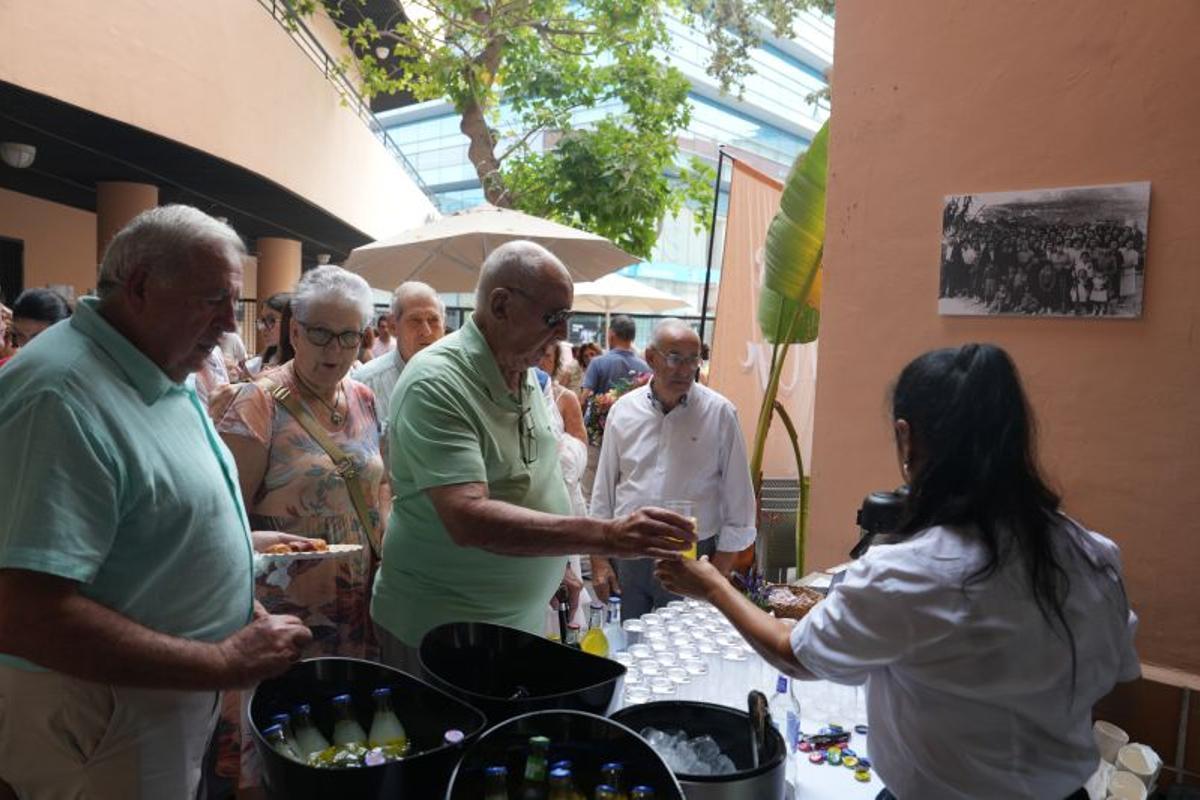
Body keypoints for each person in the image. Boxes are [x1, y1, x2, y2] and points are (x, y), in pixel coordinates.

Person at [657, 343, 1138, 800]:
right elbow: (1114, 673)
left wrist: (714, 586)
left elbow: (794, 656)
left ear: (907, 437)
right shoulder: (1092, 554)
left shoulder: (908, 573)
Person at [0, 205, 312, 798]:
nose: (229, 324)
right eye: (213, 298)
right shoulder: (58, 396)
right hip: (99, 715)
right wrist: (224, 663)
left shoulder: (154, 363)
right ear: (141, 286)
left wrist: (235, 570)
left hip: (148, 699)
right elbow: (25, 614)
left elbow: (141, 518)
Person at [370, 240, 695, 668]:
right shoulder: (437, 381)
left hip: (513, 626)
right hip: (442, 633)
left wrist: (558, 564)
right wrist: (606, 535)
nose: (562, 333)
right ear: (501, 305)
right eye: (554, 317)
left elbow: (534, 479)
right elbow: (467, 518)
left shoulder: (520, 373)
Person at [209, 265, 385, 789]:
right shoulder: (255, 404)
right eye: (320, 334)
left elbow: (380, 487)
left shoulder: (363, 398)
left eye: (349, 336)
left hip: (356, 612)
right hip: (282, 616)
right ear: (293, 331)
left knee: (341, 746)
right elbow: (225, 522)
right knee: (278, 758)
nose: (334, 350)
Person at [590, 319, 756, 618]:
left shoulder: (719, 414)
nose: (686, 369)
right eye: (675, 357)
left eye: (694, 359)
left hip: (692, 555)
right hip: (629, 552)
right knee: (628, 646)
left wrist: (717, 575)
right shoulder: (623, 410)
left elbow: (740, 501)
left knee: (684, 653)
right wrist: (600, 560)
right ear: (651, 358)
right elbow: (604, 488)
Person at [354, 280, 446, 431]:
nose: (427, 331)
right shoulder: (364, 385)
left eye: (433, 320)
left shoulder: (465, 380)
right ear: (393, 326)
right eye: (415, 320)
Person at [580, 315, 649, 500]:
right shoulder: (645, 368)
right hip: (632, 437)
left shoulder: (598, 363)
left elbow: (585, 397)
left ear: (611, 335)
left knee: (590, 490)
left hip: (597, 437)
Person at [0, 288, 72, 367]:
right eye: (20, 335)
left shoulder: (75, 370)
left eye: (38, 337)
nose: (27, 346)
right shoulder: (7, 368)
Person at [243, 291, 291, 376]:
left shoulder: (304, 367)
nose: (263, 328)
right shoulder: (258, 363)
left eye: (271, 320)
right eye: (262, 320)